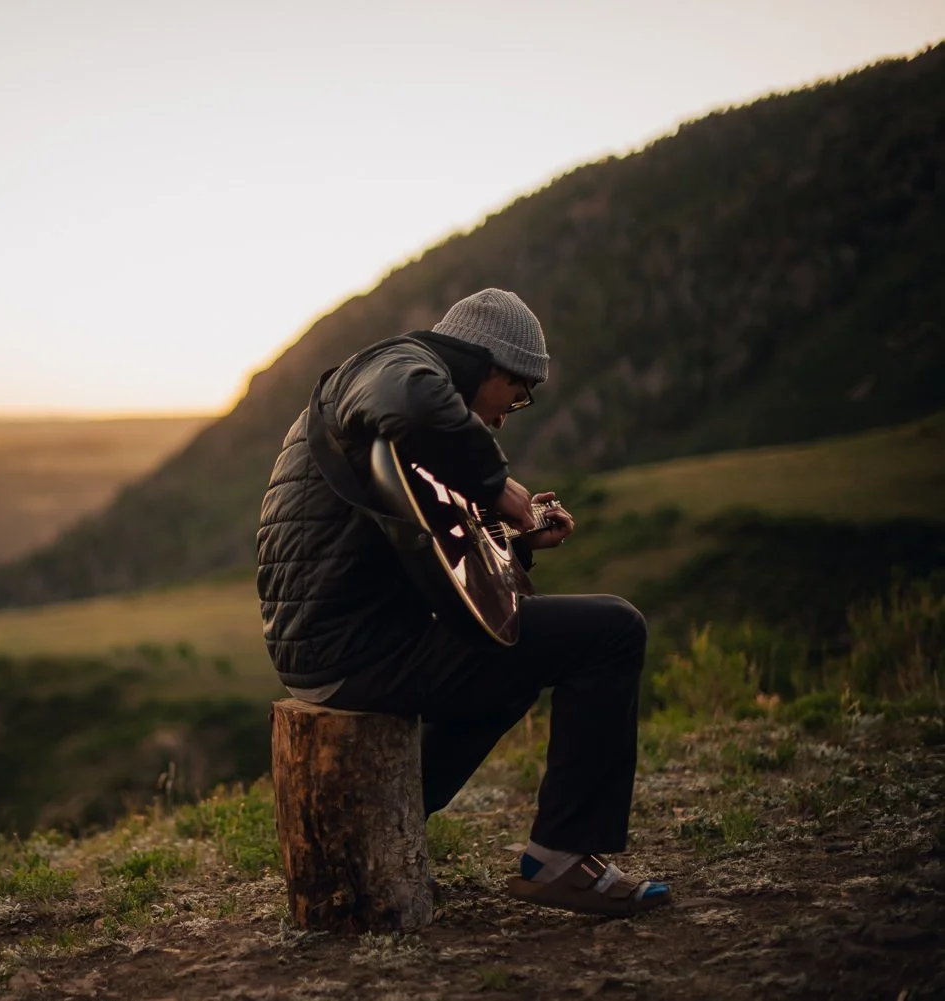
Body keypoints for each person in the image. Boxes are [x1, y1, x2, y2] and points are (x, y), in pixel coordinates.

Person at [255, 288, 670, 917]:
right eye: (518, 392)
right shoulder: (392, 369)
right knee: (614, 630)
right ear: (488, 364)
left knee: (507, 664)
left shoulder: (396, 415)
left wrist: (517, 544)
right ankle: (561, 858)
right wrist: (499, 486)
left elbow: (439, 555)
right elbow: (414, 402)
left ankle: (379, 816)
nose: (511, 412)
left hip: (341, 645)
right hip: (353, 651)